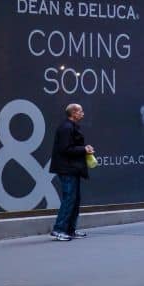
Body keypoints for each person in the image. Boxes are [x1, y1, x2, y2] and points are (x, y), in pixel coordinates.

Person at [50, 103, 94, 241]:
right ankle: (59, 230)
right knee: (69, 199)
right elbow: (65, 149)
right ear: (73, 113)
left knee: (74, 199)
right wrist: (84, 150)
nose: (83, 113)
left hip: (72, 168)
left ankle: (70, 230)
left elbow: (71, 147)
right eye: (81, 111)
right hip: (67, 169)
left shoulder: (70, 127)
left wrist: (83, 148)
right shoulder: (66, 128)